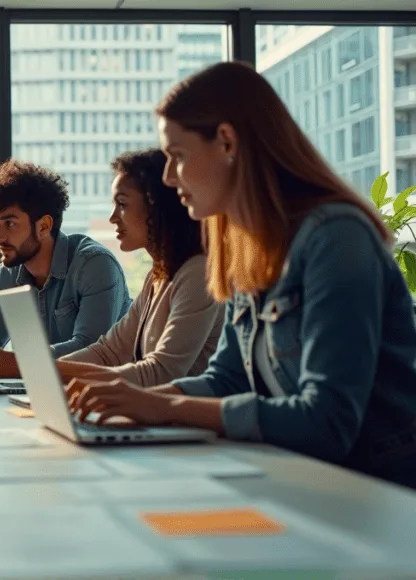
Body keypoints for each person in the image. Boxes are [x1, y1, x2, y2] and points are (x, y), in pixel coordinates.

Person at [71, 61, 416, 488]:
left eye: (177, 156)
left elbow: (326, 422)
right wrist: (136, 403)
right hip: (297, 481)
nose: (167, 177)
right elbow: (226, 379)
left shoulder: (336, 239)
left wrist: (161, 408)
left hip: (376, 496)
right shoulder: (248, 250)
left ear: (227, 141)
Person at [0, 159, 131, 379]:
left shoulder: (94, 264)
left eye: (10, 223)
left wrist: (11, 362)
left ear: (43, 226)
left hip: (103, 393)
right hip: (41, 390)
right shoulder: (6, 274)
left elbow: (89, 350)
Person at [54, 149, 222, 387]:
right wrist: (47, 372)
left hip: (184, 421)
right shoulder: (157, 276)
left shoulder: (198, 273)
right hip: (155, 417)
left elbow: (162, 372)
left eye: (122, 204)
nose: (113, 217)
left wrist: (74, 378)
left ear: (157, 206)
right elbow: (108, 353)